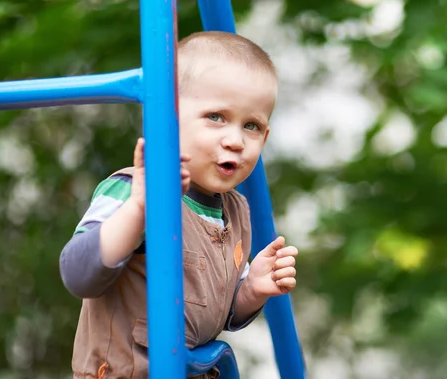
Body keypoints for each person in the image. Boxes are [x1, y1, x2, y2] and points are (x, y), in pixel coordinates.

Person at [59, 31, 298, 379]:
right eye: (216, 116)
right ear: (169, 115)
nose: (234, 140)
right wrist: (140, 209)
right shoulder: (133, 189)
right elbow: (79, 274)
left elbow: (218, 312)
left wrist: (250, 290)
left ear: (265, 137)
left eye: (251, 125)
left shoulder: (236, 211)